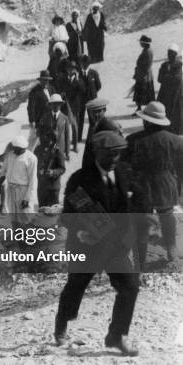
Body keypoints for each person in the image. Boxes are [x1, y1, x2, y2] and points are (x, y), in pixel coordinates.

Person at [55, 131, 139, 357]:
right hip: (86, 246)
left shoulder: (122, 173)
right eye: (109, 155)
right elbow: (68, 216)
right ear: (96, 152)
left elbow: (130, 207)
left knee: (130, 286)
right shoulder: (79, 180)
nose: (114, 160)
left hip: (116, 246)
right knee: (75, 287)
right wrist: (82, 231)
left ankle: (117, 335)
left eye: (118, 155)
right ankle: (62, 324)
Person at [123, 101, 183, 267]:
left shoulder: (133, 140)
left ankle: (140, 262)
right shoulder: (176, 141)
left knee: (142, 223)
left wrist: (128, 186)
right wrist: (178, 188)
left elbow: (123, 166)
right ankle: (171, 250)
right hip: (166, 184)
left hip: (143, 187)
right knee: (167, 216)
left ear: (146, 121)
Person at [0, 136, 38, 228]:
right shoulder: (10, 155)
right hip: (11, 189)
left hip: (23, 191)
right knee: (14, 216)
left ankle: (29, 237)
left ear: (23, 148)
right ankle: (17, 236)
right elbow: (3, 171)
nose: (14, 151)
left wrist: (27, 199)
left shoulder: (31, 158)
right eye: (14, 149)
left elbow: (33, 180)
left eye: (17, 149)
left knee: (25, 216)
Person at [35, 126, 66, 207]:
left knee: (53, 212)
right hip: (41, 186)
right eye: (42, 136)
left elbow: (62, 168)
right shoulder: (38, 149)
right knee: (42, 209)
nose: (42, 139)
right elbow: (34, 163)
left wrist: (53, 172)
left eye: (44, 137)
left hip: (53, 187)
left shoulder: (58, 151)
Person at [157, 43, 183, 135]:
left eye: (171, 53)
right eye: (168, 52)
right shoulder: (164, 65)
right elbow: (159, 79)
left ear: (175, 54)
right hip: (165, 93)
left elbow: (178, 78)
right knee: (165, 111)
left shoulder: (179, 64)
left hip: (176, 92)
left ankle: (176, 130)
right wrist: (169, 77)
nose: (169, 55)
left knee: (176, 113)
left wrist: (166, 77)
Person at [38, 94, 70, 160]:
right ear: (50, 105)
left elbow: (67, 136)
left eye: (58, 104)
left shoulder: (65, 118)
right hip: (47, 149)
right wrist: (44, 144)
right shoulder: (45, 117)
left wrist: (67, 152)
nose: (56, 106)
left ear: (61, 105)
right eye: (54, 104)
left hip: (60, 149)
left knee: (59, 168)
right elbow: (40, 133)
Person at [78, 55, 102, 141]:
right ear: (81, 64)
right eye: (83, 64)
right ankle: (79, 137)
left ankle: (92, 137)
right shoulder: (78, 74)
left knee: (92, 119)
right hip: (81, 100)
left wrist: (92, 94)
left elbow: (99, 86)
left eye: (87, 64)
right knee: (80, 119)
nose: (85, 65)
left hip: (91, 100)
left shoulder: (94, 73)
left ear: (89, 64)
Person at [132, 35, 155, 113]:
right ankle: (139, 108)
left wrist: (140, 75)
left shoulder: (148, 52)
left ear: (145, 43)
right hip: (143, 75)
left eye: (141, 43)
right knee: (143, 93)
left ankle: (144, 109)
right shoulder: (146, 50)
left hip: (144, 76)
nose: (140, 44)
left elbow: (146, 66)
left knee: (143, 92)